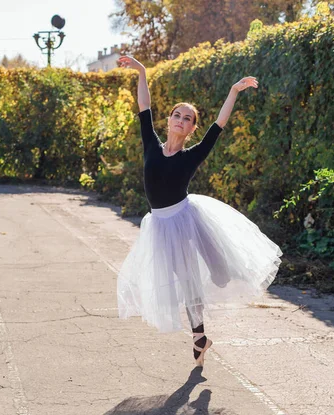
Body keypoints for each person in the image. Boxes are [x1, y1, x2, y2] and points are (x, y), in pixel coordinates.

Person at [117, 55, 282, 367]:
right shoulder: (151, 145)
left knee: (205, 278)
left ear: (191, 128)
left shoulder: (192, 155)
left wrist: (233, 91)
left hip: (184, 218)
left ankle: (220, 279)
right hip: (160, 225)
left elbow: (219, 125)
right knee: (184, 281)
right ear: (168, 121)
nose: (180, 119)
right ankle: (200, 338)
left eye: (187, 118)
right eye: (176, 115)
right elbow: (144, 107)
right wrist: (141, 71)